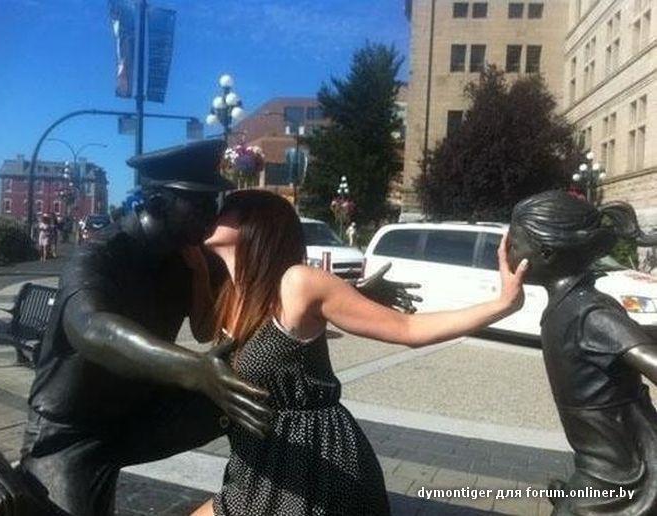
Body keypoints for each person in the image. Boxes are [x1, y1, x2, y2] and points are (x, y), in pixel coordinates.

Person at [19, 141, 422, 516]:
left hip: (145, 409)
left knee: (258, 385)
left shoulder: (188, 253)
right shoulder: (100, 255)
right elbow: (92, 328)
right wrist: (195, 370)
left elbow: (268, 286)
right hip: (74, 433)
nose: (212, 214)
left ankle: (280, 490)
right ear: (158, 203)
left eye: (214, 203)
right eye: (200, 204)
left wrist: (352, 296)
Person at [190, 189, 527, 516]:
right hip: (257, 458)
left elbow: (408, 329)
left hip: (310, 459)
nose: (213, 215)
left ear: (254, 224)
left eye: (226, 209)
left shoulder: (297, 283)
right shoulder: (233, 294)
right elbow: (202, 331)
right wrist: (196, 267)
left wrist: (503, 305)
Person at [507, 190, 657, 515]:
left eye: (513, 244)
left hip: (623, 476)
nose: (505, 252)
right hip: (599, 463)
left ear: (546, 252)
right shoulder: (569, 305)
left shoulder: (588, 313)